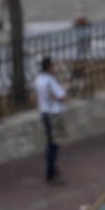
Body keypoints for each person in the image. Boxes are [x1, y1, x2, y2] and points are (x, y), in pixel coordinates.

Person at [34, 55, 68, 184]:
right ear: (49, 67)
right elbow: (62, 97)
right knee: (54, 144)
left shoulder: (38, 80)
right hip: (53, 114)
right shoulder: (50, 81)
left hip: (44, 113)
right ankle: (51, 171)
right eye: (52, 66)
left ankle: (51, 168)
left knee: (50, 142)